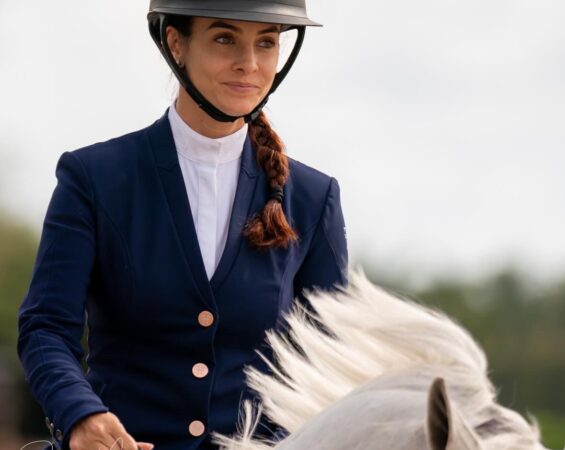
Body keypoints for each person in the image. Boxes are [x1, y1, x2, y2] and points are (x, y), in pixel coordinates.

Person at [16, 1, 348, 449]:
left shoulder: (313, 197)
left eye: (266, 42)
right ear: (176, 43)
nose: (249, 64)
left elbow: (328, 363)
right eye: (225, 38)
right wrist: (81, 415)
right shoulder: (93, 178)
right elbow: (46, 327)